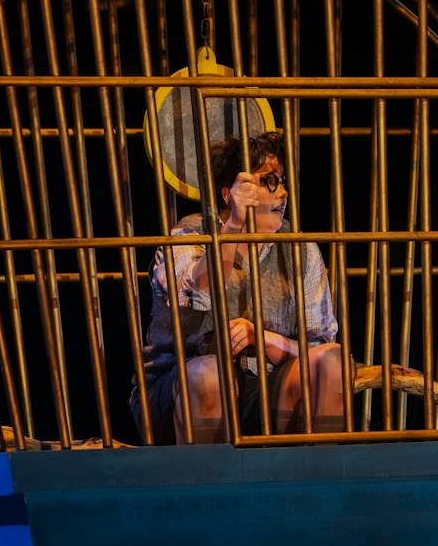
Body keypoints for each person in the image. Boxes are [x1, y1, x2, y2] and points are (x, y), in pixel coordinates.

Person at [130, 131, 345, 444]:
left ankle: (314, 487)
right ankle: (208, 491)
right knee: (210, 375)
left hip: (266, 387)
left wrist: (263, 339)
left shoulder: (300, 249)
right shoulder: (189, 235)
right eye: (269, 181)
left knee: (331, 360)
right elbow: (199, 294)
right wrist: (232, 229)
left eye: (282, 181)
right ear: (229, 194)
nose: (283, 193)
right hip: (182, 391)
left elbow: (319, 341)